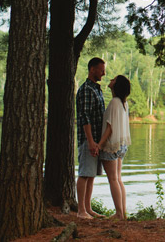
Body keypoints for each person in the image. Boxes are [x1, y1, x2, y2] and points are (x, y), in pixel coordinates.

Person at [76, 57, 106, 219]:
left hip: (96, 140)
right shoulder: (87, 89)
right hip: (89, 140)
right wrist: (90, 141)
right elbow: (84, 117)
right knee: (84, 174)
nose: (104, 73)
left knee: (91, 175)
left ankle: (88, 208)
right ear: (92, 69)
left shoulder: (96, 89)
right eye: (102, 70)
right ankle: (81, 211)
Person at [98, 75, 132, 220]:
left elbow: (109, 128)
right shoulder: (124, 103)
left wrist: (99, 145)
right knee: (118, 179)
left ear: (116, 85)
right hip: (122, 145)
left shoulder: (114, 102)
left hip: (112, 145)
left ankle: (119, 214)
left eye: (113, 79)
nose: (110, 80)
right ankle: (122, 212)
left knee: (113, 179)